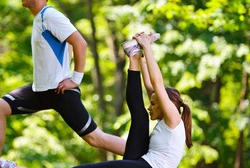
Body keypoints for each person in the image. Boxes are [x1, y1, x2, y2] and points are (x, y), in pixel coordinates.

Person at [0, 0, 126, 167]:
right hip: (40, 91)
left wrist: (74, 79)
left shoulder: (50, 15)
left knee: (95, 139)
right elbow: (66, 46)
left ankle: (146, 154)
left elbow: (80, 44)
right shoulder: (39, 19)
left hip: (60, 92)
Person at [72, 32, 193, 168]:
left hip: (148, 166)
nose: (150, 107)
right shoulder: (166, 121)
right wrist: (142, 55)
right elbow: (149, 84)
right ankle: (134, 56)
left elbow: (157, 83)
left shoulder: (174, 119)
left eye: (153, 104)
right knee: (140, 115)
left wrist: (147, 46)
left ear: (166, 104)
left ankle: (135, 54)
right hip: (142, 161)